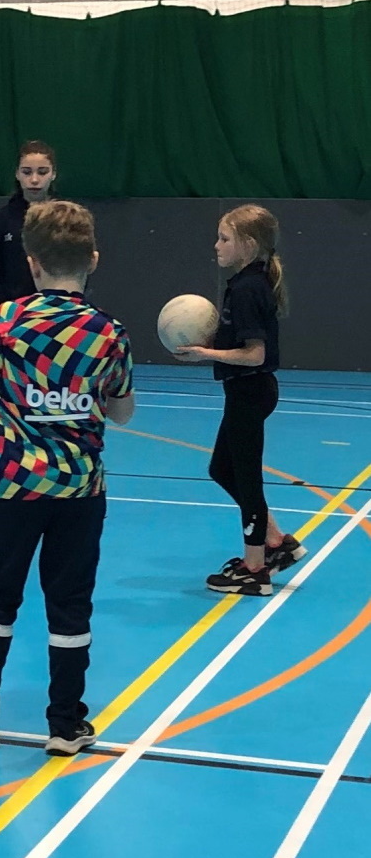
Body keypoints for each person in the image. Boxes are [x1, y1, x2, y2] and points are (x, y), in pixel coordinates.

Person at [0, 200, 134, 757]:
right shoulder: (108, 333)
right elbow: (121, 413)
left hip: (12, 488)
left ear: (31, 263)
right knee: (70, 604)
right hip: (80, 493)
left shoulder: (5, 321)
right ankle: (66, 723)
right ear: (93, 260)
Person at [171, 204, 300, 596]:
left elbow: (255, 354)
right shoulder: (248, 281)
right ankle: (277, 543)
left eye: (224, 239)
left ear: (247, 244)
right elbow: (241, 341)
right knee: (222, 469)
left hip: (251, 390)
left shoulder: (247, 288)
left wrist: (204, 354)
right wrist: (212, 344)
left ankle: (255, 569)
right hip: (246, 391)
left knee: (246, 480)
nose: (217, 245)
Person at [0, 140, 57, 314]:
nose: (34, 179)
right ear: (17, 174)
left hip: (57, 316)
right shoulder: (2, 219)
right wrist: (1, 311)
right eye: (27, 172)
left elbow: (75, 268)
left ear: (53, 174)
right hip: (12, 317)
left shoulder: (63, 217)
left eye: (42, 172)